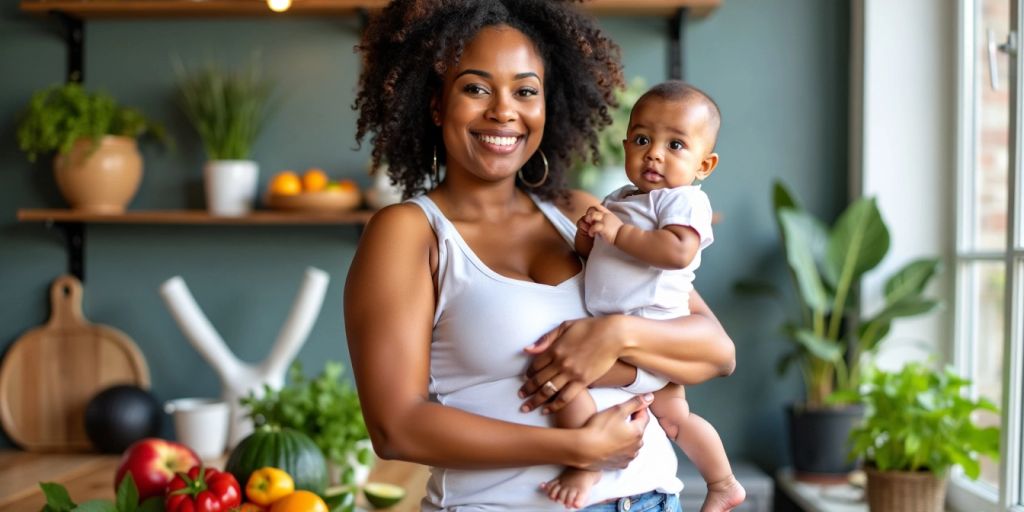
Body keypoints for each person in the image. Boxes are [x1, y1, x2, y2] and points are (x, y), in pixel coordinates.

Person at [344, 1, 736, 510]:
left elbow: (717, 351)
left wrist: (615, 333)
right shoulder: (409, 234)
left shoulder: (583, 214)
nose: (503, 111)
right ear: (437, 104)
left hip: (652, 500)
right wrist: (577, 448)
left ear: (547, 105)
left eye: (525, 91)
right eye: (476, 88)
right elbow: (396, 428)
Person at [542, 81, 746, 512]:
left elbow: (677, 251)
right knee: (675, 419)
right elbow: (595, 260)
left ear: (704, 165)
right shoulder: (619, 198)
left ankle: (585, 465)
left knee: (567, 376)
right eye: (642, 139)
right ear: (625, 145)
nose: (654, 152)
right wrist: (587, 238)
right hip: (634, 334)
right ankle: (723, 482)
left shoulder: (683, 200)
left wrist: (617, 233)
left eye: (675, 144)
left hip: (653, 331)